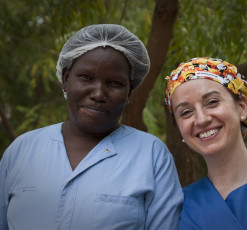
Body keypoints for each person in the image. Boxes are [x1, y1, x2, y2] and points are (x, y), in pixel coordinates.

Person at [0, 24, 183, 230]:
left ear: (130, 90)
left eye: (114, 83)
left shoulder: (152, 156)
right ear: (66, 78)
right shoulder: (22, 151)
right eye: (86, 77)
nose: (98, 94)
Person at [164, 57, 247, 230]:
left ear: (242, 107)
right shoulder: (175, 211)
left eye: (212, 102)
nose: (202, 119)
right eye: (185, 112)